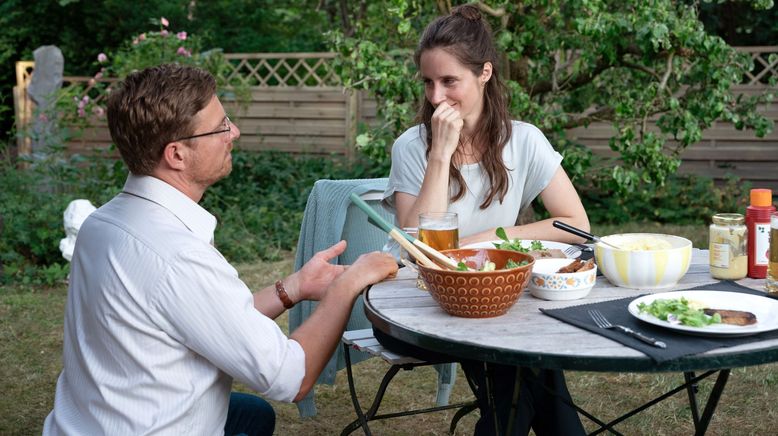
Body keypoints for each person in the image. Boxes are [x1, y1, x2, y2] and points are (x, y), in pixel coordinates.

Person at [42, 64, 398, 435]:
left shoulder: (101, 224)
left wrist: (294, 287)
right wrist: (348, 284)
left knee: (253, 415)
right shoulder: (178, 256)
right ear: (177, 154)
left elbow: (204, 316)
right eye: (221, 126)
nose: (234, 132)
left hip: (90, 421)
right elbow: (291, 378)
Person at [380, 4, 589, 435]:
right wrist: (439, 154)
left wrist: (488, 238)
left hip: (492, 301)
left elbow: (575, 225)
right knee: (524, 361)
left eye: (449, 81)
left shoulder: (524, 140)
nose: (436, 97)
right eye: (428, 83)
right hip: (413, 305)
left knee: (517, 365)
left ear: (485, 73)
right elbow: (417, 246)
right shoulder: (410, 146)